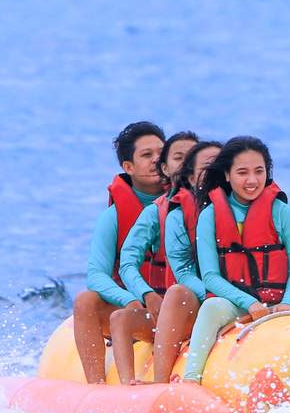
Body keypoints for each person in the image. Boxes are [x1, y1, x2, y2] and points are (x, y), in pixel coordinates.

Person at [183, 136, 290, 384]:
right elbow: (210, 277)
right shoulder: (210, 215)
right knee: (211, 308)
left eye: (259, 171)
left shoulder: (282, 212)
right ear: (227, 175)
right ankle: (191, 379)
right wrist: (250, 303)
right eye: (242, 172)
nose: (252, 180)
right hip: (236, 305)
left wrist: (287, 303)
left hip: (278, 304)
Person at [72, 121, 168, 384]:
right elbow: (96, 275)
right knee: (85, 300)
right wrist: (131, 300)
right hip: (135, 310)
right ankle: (96, 385)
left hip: (177, 304)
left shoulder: (187, 204)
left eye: (161, 153)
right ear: (128, 167)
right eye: (146, 155)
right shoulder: (113, 217)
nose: (156, 160)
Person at [108, 131, 202, 384]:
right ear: (165, 167)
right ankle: (130, 387)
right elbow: (128, 262)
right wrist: (147, 294)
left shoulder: (225, 206)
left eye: (194, 158)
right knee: (120, 317)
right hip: (174, 306)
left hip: (216, 301)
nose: (187, 165)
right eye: (179, 158)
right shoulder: (155, 213)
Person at [149, 139, 223, 382]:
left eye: (221, 166)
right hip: (203, 300)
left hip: (245, 299)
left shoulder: (246, 212)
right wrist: (216, 295)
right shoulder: (178, 217)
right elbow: (183, 272)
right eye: (207, 167)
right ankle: (160, 382)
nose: (215, 173)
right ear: (191, 178)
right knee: (178, 292)